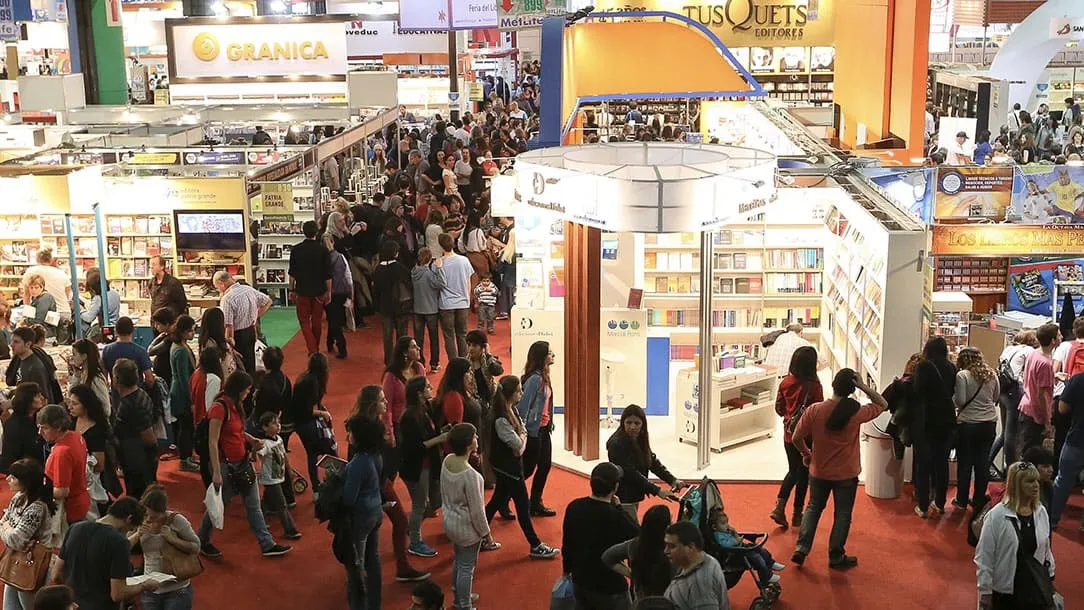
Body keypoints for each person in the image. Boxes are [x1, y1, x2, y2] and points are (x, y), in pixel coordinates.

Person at [791, 369, 888, 569]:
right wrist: (862, 385)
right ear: (851, 389)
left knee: (813, 507)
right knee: (842, 514)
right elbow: (883, 404)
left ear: (833, 385)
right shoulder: (856, 413)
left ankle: (801, 548)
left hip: (819, 471)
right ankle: (836, 556)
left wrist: (807, 454)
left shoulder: (815, 410)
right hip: (846, 472)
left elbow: (796, 437)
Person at [197, 371, 292, 559]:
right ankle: (202, 540)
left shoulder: (235, 405)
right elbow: (212, 442)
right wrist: (216, 471)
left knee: (253, 505)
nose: (249, 393)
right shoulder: (219, 408)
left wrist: (251, 439)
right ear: (239, 389)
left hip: (242, 462)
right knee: (218, 506)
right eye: (247, 390)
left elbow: (237, 432)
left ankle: (267, 544)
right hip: (227, 466)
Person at [484, 376, 560, 558]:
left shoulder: (512, 411)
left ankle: (479, 535)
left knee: (497, 500)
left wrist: (522, 437)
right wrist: (522, 438)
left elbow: (522, 433)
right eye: (519, 390)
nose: (522, 393)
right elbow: (518, 446)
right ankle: (535, 545)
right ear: (511, 394)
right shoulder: (501, 419)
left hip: (510, 467)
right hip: (508, 468)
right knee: (523, 506)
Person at [50, 497, 161, 610]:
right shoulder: (119, 541)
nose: (127, 533)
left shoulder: (75, 528)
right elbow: (118, 594)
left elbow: (56, 575)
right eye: (130, 529)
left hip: (73, 604)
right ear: (129, 518)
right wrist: (144, 586)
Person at [975, 462, 1056, 610]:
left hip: (1035, 588)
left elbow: (1046, 549)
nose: (1036, 485)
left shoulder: (1041, 512)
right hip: (1006, 592)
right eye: (1030, 481)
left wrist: (1050, 577)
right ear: (1016, 485)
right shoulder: (996, 516)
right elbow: (984, 557)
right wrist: (985, 591)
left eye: (1037, 481)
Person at [562, 462, 639, 609]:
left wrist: (566, 571)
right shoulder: (616, 517)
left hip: (580, 579)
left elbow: (567, 543)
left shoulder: (574, 506)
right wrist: (619, 508)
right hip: (609, 586)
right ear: (615, 487)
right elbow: (638, 534)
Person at [441, 423, 496, 610]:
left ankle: (460, 593)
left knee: (459, 560)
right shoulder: (472, 476)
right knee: (467, 567)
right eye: (474, 437)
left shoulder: (447, 460)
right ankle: (463, 604)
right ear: (467, 444)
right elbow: (477, 511)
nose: (477, 439)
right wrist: (486, 534)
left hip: (449, 521)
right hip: (466, 528)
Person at [770, 345, 822, 529]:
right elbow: (817, 411)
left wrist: (788, 417)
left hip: (788, 434)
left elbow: (778, 408)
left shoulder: (785, 382)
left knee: (793, 470)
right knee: (804, 474)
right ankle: (797, 514)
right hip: (806, 436)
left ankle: (780, 506)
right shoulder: (814, 386)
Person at [606, 404, 682, 523]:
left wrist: (672, 480)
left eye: (637, 423)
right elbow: (630, 473)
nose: (632, 427)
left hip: (633, 493)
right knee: (631, 531)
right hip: (623, 496)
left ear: (642, 425)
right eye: (628, 422)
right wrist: (657, 490)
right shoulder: (616, 444)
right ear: (622, 423)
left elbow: (651, 462)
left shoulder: (639, 438)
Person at [130, 485, 200, 610]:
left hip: (177, 589)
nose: (149, 519)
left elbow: (196, 547)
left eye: (154, 517)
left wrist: (173, 539)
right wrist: (137, 534)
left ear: (164, 511)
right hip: (151, 588)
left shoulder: (177, 520)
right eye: (147, 515)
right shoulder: (139, 520)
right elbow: (124, 547)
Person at [0, 459, 56, 610]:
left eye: (13, 477)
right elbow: (4, 523)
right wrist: (7, 527)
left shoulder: (37, 508)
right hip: (15, 559)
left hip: (33, 564)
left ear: (26, 481)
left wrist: (6, 527)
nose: (7, 479)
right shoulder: (19, 498)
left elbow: (16, 539)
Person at [343, 415, 385, 610]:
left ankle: (359, 605)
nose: (347, 436)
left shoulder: (358, 463)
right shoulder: (376, 455)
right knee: (373, 557)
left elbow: (349, 498)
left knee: (356, 565)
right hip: (376, 510)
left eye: (350, 432)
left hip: (361, 516)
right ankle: (374, 603)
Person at [913, 336, 958, 518]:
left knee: (923, 464)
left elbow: (917, 392)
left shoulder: (923, 366)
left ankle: (923, 506)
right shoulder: (951, 367)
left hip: (926, 420)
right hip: (946, 419)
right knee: (942, 463)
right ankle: (939, 503)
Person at [954, 347, 1000, 510]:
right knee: (982, 463)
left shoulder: (962, 376)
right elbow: (996, 397)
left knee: (965, 463)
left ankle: (961, 499)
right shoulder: (991, 374)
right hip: (989, 423)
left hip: (968, 424)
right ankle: (979, 498)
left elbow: (960, 400)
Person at [602, 505, 673, 601]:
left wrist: (633, 574)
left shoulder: (635, 545)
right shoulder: (673, 549)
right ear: (667, 526)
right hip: (668, 601)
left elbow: (607, 557)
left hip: (641, 602)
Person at [518, 341, 557, 517]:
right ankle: (504, 498)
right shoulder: (535, 379)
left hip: (544, 429)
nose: (553, 355)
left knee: (544, 466)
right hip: (533, 432)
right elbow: (523, 407)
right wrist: (523, 431)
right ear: (542, 357)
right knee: (527, 469)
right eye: (549, 353)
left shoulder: (544, 376)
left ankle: (535, 502)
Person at [290, 352, 335, 499]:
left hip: (302, 422)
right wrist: (323, 414)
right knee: (329, 450)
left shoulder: (307, 378)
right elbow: (306, 410)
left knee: (312, 454)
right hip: (306, 422)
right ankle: (333, 483)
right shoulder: (313, 382)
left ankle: (317, 489)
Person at [112, 359, 158, 500]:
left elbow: (149, 437)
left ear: (117, 380)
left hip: (138, 460)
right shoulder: (140, 394)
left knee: (140, 498)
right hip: (136, 457)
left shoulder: (131, 405)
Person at [67, 384, 116, 517]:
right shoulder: (71, 422)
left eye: (74, 404)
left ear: (86, 405)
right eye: (69, 403)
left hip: (90, 481)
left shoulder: (96, 430)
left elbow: (99, 465)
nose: (70, 407)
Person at [992, 331, 1037, 473]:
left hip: (1003, 390)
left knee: (1005, 433)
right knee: (1012, 434)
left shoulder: (1008, 349)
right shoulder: (1029, 351)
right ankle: (1011, 469)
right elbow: (1030, 372)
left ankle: (987, 462)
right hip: (1014, 391)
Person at [36, 405, 89, 524]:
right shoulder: (76, 436)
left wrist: (37, 490)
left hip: (69, 509)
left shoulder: (62, 452)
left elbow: (61, 492)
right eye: (39, 427)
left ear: (58, 427)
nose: (40, 432)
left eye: (45, 428)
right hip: (81, 500)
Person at [213, 271, 272, 375]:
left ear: (221, 283)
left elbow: (228, 326)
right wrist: (255, 316)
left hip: (238, 336)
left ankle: (243, 388)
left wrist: (228, 344)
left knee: (239, 366)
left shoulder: (227, 299)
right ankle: (252, 386)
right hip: (250, 331)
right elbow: (268, 301)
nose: (218, 290)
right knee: (250, 363)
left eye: (217, 287)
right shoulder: (248, 289)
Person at [663, 520, 730, 610]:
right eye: (666, 545)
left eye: (672, 546)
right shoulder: (704, 561)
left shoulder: (699, 586)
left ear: (691, 547)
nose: (666, 551)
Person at [710, 506, 784, 585]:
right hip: (734, 554)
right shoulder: (718, 535)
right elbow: (725, 545)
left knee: (760, 550)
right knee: (757, 558)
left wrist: (734, 533)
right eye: (723, 523)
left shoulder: (725, 531)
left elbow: (736, 537)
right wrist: (736, 540)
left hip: (741, 548)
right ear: (714, 527)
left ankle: (771, 563)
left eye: (727, 522)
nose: (727, 525)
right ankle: (766, 576)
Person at [289, 221, 332, 356]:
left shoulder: (296, 250)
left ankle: (312, 349)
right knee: (317, 321)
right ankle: (315, 347)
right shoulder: (323, 250)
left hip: (302, 291)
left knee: (304, 321)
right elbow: (328, 274)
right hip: (319, 291)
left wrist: (291, 290)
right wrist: (329, 291)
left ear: (303, 232)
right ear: (317, 232)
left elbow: (292, 273)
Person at [256, 412, 301, 541]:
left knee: (267, 500)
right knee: (281, 505)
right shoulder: (264, 443)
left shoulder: (279, 439)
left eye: (278, 423)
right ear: (265, 427)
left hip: (279, 475)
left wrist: (289, 469)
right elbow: (258, 455)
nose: (278, 426)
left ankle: (260, 517)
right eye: (274, 424)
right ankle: (290, 530)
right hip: (270, 479)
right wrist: (254, 449)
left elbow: (284, 455)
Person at [1018, 323, 1058, 458]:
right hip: (1036, 413)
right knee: (1032, 453)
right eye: (1058, 335)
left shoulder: (1034, 354)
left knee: (1026, 449)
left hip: (1026, 406)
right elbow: (1042, 395)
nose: (1061, 336)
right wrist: (1047, 422)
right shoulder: (1046, 363)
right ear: (1053, 340)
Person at [372, 239, 413, 367]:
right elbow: (409, 284)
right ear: (395, 253)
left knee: (387, 335)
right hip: (401, 306)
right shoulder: (400, 268)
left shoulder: (378, 269)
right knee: (402, 334)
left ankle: (389, 361)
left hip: (385, 307)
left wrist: (376, 306)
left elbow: (375, 290)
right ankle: (402, 359)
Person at [190, 346, 224, 489]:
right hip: (207, 424)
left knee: (205, 459)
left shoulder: (197, 373)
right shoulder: (213, 379)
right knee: (210, 459)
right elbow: (211, 406)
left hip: (198, 421)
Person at [169, 315, 199, 473]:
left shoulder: (180, 345)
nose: (193, 333)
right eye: (191, 331)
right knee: (185, 428)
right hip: (181, 394)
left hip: (182, 392)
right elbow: (183, 379)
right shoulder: (180, 350)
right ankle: (185, 459)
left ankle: (187, 456)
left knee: (186, 427)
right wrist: (191, 399)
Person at [437, 233, 473, 362]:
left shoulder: (438, 263)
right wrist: (468, 299)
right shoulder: (464, 260)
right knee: (462, 335)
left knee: (449, 335)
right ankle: (464, 362)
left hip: (446, 304)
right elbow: (469, 281)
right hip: (463, 302)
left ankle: (453, 363)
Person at [412, 248, 445, 373]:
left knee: (418, 339)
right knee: (434, 338)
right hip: (431, 309)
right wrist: (440, 269)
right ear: (430, 259)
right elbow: (442, 283)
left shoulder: (413, 272)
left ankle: (419, 363)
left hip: (417, 309)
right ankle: (434, 363)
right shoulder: (430, 274)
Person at [22, 247, 71, 330]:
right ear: (51, 259)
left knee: (43, 341)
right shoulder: (62, 273)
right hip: (63, 312)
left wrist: (26, 316)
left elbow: (27, 296)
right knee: (63, 342)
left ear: (37, 259)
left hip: (42, 315)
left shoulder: (31, 272)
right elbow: (68, 295)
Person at [0, 383, 45, 473]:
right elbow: (13, 456)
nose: (42, 398)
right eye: (37, 396)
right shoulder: (16, 424)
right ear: (27, 399)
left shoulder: (33, 417)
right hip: (23, 472)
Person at [101, 317, 155, 389]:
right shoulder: (140, 352)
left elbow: (104, 378)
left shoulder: (106, 350)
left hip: (116, 396)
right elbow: (150, 379)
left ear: (115, 331)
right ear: (133, 331)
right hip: (136, 395)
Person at [7, 328, 56, 404]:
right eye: (12, 341)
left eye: (16, 342)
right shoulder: (20, 360)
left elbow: (43, 399)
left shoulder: (35, 367)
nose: (11, 345)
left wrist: (12, 404)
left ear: (28, 344)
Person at [324, 231, 353, 359]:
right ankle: (334, 344)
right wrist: (351, 295)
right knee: (336, 321)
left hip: (330, 293)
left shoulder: (321, 259)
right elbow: (348, 276)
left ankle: (335, 345)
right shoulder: (340, 257)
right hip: (341, 292)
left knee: (333, 320)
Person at [80, 268, 120, 339]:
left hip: (103, 330)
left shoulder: (99, 298)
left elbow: (89, 318)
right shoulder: (115, 294)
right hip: (115, 328)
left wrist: (80, 311)